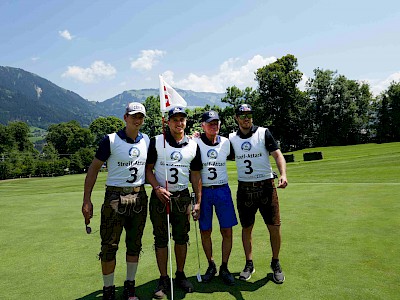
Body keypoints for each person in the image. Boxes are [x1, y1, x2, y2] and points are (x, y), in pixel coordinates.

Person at [82, 102, 150, 300]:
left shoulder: (146, 140)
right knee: (109, 245)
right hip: (114, 197)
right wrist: (87, 200)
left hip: (139, 196)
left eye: (141, 117)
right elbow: (93, 169)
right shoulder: (110, 140)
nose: (138, 120)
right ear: (125, 117)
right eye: (134, 116)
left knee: (134, 244)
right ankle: (108, 289)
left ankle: (130, 286)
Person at [145, 106, 202, 299]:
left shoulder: (194, 145)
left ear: (186, 122)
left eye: (182, 119)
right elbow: (148, 170)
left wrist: (198, 201)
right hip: (160, 196)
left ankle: (180, 274)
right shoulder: (157, 142)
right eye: (175, 119)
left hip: (182, 196)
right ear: (167, 122)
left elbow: (196, 176)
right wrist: (157, 188)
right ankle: (163, 278)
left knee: (181, 237)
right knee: (160, 238)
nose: (179, 123)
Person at [228, 104, 288, 284]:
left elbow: (278, 155)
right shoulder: (231, 138)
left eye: (249, 115)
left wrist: (283, 174)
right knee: (247, 228)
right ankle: (249, 263)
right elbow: (215, 148)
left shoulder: (263, 133)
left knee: (274, 226)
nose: (247, 118)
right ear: (237, 118)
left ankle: (275, 262)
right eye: (242, 115)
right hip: (245, 189)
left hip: (267, 187)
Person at [194, 110, 238, 286]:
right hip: (204, 192)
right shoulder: (194, 142)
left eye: (216, 123)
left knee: (227, 230)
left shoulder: (227, 143)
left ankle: (224, 267)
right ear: (203, 126)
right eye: (210, 123)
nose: (214, 125)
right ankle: (211, 265)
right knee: (206, 230)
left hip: (222, 190)